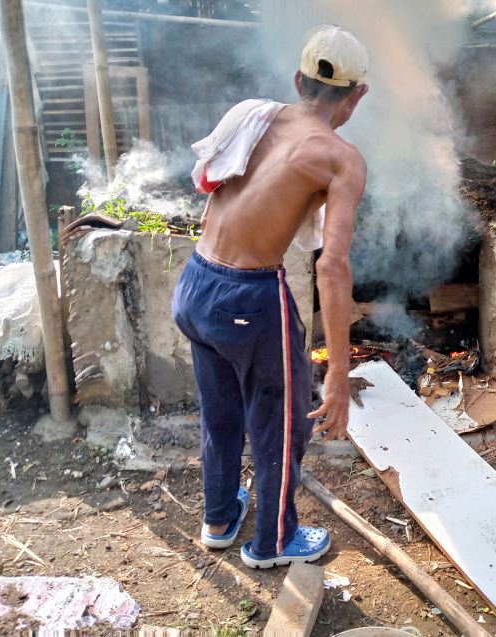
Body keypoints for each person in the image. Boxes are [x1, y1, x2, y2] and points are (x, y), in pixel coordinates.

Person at [172, 25, 369, 569]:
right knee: (279, 424)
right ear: (358, 95)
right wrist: (337, 376)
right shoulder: (341, 158)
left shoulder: (255, 115)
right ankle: (273, 541)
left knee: (221, 415)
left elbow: (212, 184)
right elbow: (332, 264)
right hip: (248, 298)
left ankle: (218, 518)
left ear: (298, 79)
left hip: (194, 284)